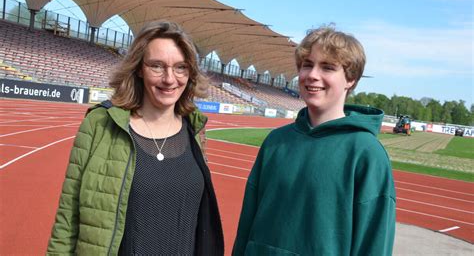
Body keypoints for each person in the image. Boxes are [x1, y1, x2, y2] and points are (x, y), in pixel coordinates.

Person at [47, 21, 224, 255]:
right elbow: (67, 219)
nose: (170, 79)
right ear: (139, 68)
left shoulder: (195, 130)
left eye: (180, 67)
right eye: (157, 66)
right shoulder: (100, 123)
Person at [233, 26, 396, 255]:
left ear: (351, 79)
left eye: (327, 67)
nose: (312, 75)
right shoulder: (276, 142)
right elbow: (247, 225)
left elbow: (373, 244)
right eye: (307, 64)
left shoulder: (366, 153)